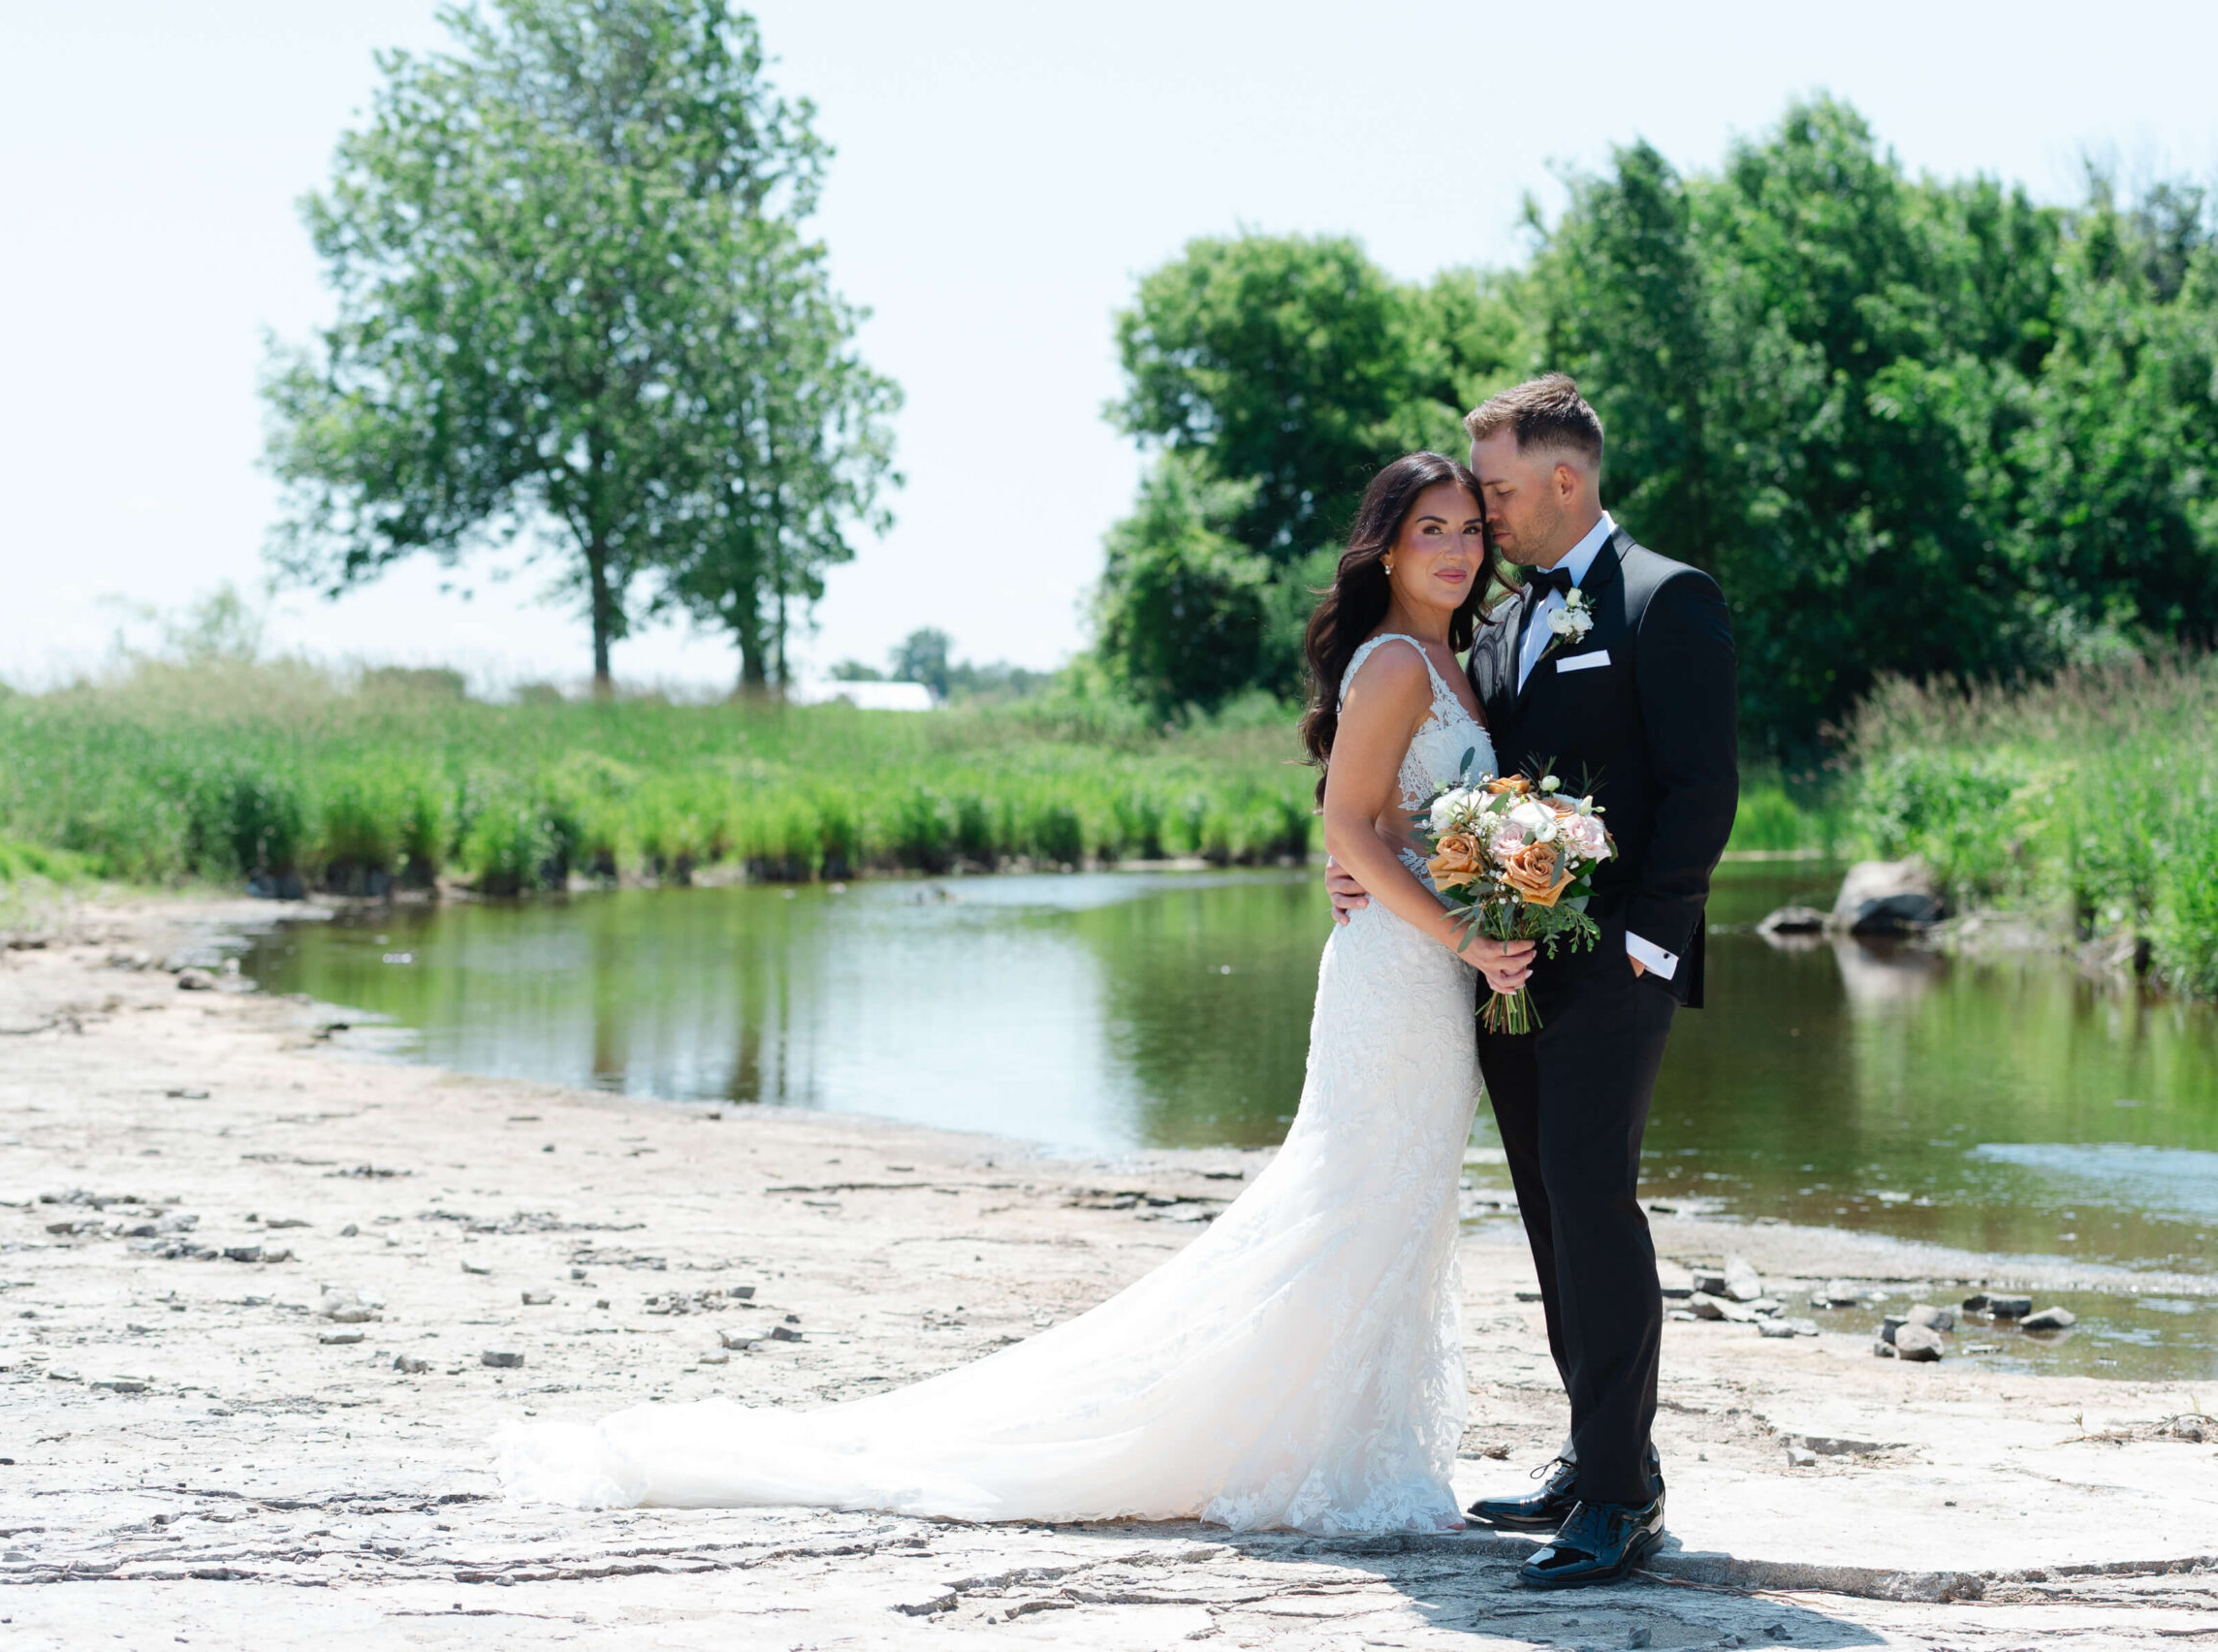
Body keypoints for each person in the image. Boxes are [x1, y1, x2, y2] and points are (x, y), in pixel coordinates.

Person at [494, 452, 1511, 1536]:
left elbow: (1404, 825)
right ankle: (1306, 1451)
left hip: (1433, 975)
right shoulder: (1398, 663)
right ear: (1386, 549)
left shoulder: (1458, 660)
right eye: (1429, 532)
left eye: (1465, 531)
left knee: (1394, 1204)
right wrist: (1468, 935)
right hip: (1397, 974)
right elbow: (1347, 826)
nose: (1453, 552)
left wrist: (1494, 888)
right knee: (1350, 1200)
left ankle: (1351, 1439)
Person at [1327, 375, 1739, 1586]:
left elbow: (1701, 790)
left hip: (1614, 963)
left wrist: (1649, 946)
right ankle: (1590, 1448)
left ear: (1565, 480)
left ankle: (1622, 1497)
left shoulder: (1668, 600)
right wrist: (1365, 864)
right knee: (1549, 1208)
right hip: (1501, 969)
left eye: (1496, 492)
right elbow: (1419, 778)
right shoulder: (1502, 623)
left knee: (1592, 1200)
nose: (1486, 517)